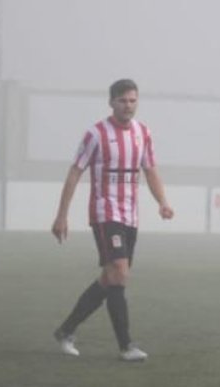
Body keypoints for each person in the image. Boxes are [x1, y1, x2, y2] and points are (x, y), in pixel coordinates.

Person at [51, 78, 173, 362]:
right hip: (106, 212)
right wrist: (61, 215)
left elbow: (151, 170)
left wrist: (163, 202)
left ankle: (66, 330)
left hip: (131, 214)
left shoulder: (143, 133)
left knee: (110, 279)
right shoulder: (95, 134)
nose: (128, 106)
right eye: (122, 101)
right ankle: (126, 346)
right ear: (111, 102)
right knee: (119, 272)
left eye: (132, 100)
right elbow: (74, 173)